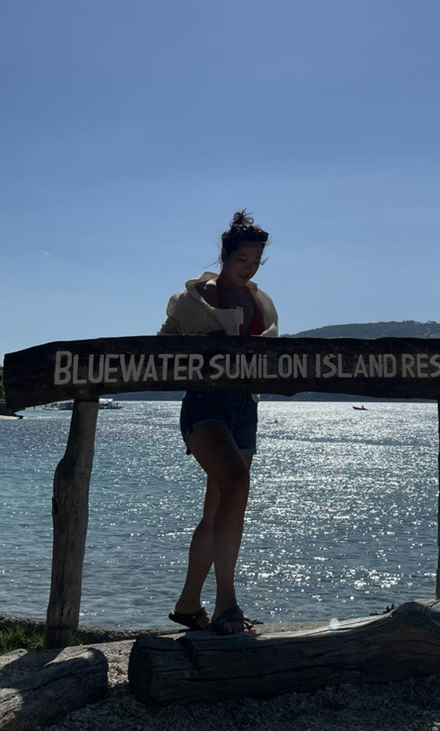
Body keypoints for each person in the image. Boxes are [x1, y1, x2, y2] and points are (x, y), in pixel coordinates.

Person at [158, 210, 278, 635]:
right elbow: (160, 351)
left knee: (217, 509)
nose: (249, 268)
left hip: (246, 406)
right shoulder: (190, 300)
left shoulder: (262, 302)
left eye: (256, 262)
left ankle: (188, 604)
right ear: (224, 255)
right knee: (238, 484)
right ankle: (227, 603)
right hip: (205, 405)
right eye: (242, 259)